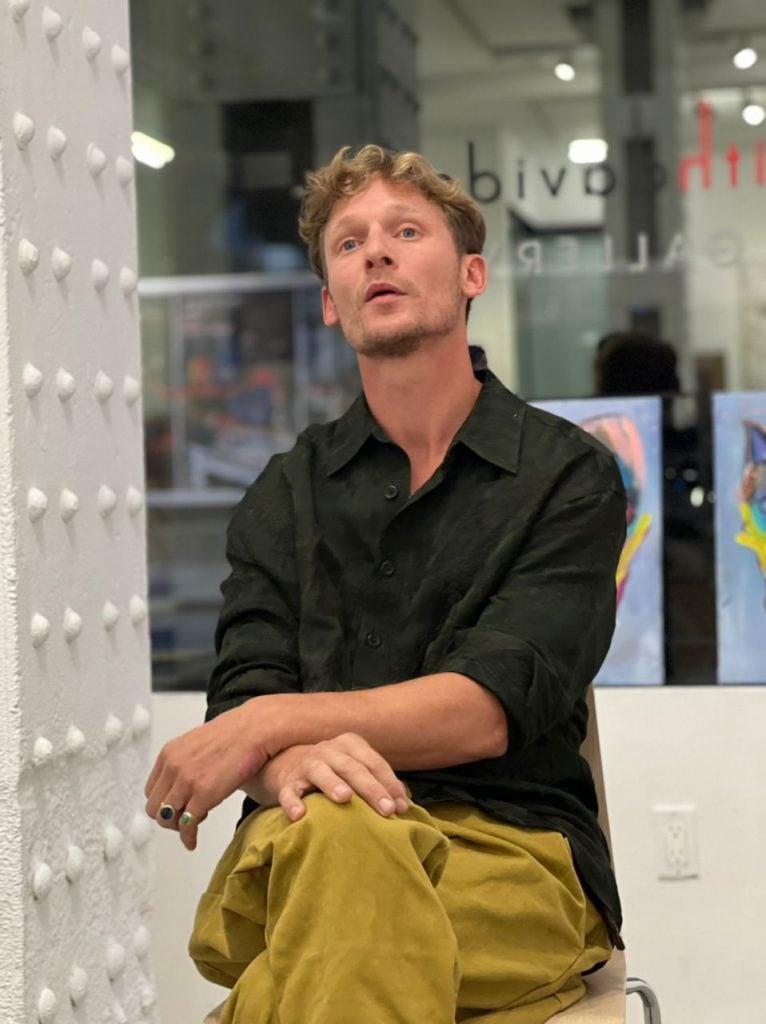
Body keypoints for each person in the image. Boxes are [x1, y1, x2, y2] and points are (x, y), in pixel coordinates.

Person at [145, 145, 627, 1024]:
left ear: (472, 272)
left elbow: (485, 708)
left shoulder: (568, 477)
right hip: (305, 839)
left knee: (313, 939)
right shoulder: (285, 494)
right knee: (340, 835)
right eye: (349, 243)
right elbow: (247, 684)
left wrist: (268, 726)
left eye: (406, 231)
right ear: (331, 304)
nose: (376, 252)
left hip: (512, 861)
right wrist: (282, 753)